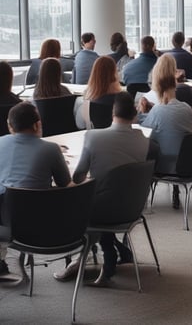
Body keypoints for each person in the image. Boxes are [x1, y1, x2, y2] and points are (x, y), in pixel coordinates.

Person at [59, 92, 152, 286]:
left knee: (84, 201)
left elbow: (78, 177)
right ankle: (118, 252)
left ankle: (91, 257)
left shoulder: (93, 136)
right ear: (134, 115)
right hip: (133, 207)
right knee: (108, 195)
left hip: (101, 210)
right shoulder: (143, 140)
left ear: (112, 113)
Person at [0, 103, 72, 280]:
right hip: (41, 226)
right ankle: (78, 262)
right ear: (37, 124)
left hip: (4, 224)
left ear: (10, 125)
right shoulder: (50, 149)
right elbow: (65, 185)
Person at [138, 55, 192, 207]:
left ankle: (139, 199)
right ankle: (176, 193)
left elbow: (145, 132)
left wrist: (143, 113)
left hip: (164, 165)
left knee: (148, 146)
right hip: (189, 164)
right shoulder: (187, 109)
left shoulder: (156, 111)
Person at [76, 55, 122, 129]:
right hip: (117, 139)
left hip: (94, 138)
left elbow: (80, 125)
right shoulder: (122, 99)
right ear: (114, 73)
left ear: (94, 73)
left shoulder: (86, 100)